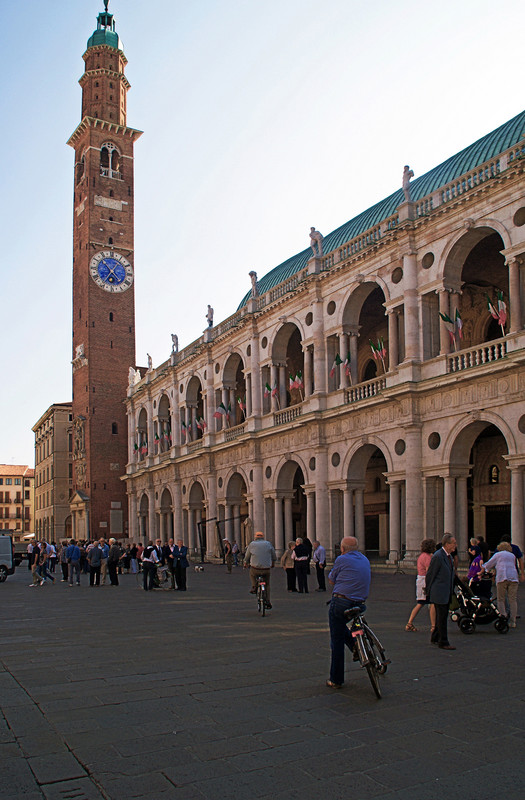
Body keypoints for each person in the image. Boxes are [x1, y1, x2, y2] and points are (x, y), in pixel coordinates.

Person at [326, 536, 371, 688]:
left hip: (341, 602)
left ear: (342, 549)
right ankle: (356, 646)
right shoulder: (365, 559)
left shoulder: (341, 559)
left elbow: (331, 579)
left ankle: (336, 679)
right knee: (342, 626)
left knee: (336, 639)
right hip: (360, 603)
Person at [425, 533, 457, 650]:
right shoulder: (438, 556)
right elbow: (431, 574)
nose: (455, 546)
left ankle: (435, 637)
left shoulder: (449, 557)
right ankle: (443, 642)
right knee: (442, 618)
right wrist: (428, 590)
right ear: (447, 544)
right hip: (439, 591)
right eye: (453, 543)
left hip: (446, 591)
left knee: (441, 616)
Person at [480, 542, 523, 627]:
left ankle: (503, 617)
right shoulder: (512, 556)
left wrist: (483, 569)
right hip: (513, 578)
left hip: (502, 577)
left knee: (501, 599)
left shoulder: (498, 554)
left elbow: (488, 565)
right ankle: (513, 621)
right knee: (512, 599)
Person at [405, 539, 436, 632]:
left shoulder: (422, 556)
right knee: (432, 602)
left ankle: (409, 623)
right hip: (425, 581)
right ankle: (433, 626)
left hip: (421, 579)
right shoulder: (427, 557)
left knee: (421, 603)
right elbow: (429, 570)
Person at [243, 531, 276, 608]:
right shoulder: (268, 544)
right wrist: (273, 563)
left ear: (255, 537)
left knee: (252, 573)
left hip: (255, 568)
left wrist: (245, 563)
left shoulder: (252, 544)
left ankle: (254, 586)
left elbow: (247, 556)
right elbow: (273, 556)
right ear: (263, 537)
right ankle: (267, 600)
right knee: (267, 584)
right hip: (266, 569)